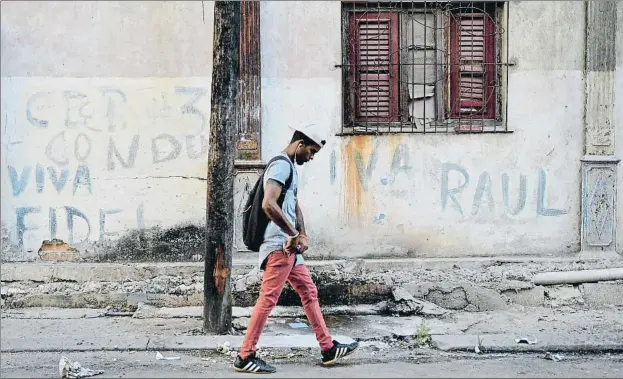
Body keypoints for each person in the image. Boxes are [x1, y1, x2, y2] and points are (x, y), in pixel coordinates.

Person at [234, 125, 359, 374]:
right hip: (280, 246)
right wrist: (292, 234)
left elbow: (293, 204)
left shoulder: (290, 168)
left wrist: (302, 232)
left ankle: (328, 348)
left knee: (309, 292)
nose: (311, 157)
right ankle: (245, 355)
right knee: (268, 299)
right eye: (311, 151)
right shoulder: (281, 164)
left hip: (291, 246)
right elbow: (268, 204)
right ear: (300, 143)